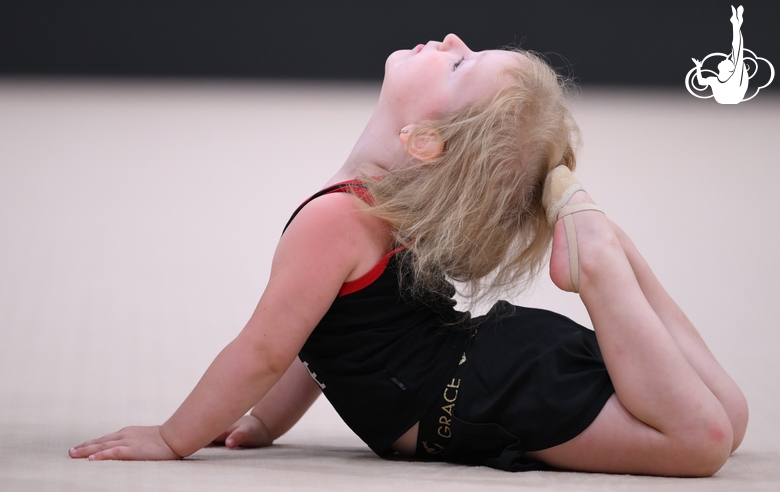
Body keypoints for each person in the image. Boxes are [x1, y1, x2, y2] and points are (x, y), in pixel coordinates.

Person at [69, 34, 748, 476]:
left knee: (702, 438)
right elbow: (323, 339)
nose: (452, 40)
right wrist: (261, 423)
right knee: (727, 415)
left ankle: (600, 260)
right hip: (492, 362)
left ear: (426, 142)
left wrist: (174, 435)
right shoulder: (389, 213)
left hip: (476, 389)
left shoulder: (340, 217)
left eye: (459, 64)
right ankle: (611, 247)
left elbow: (265, 350)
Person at [692, 5, 748, 104]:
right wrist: (698, 67)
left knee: (737, 50)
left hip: (733, 97)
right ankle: (736, 24)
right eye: (727, 60)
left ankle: (736, 24)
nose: (725, 59)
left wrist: (736, 26)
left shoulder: (734, 77)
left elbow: (737, 49)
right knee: (737, 51)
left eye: (727, 61)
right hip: (727, 98)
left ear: (729, 69)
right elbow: (701, 82)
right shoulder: (714, 79)